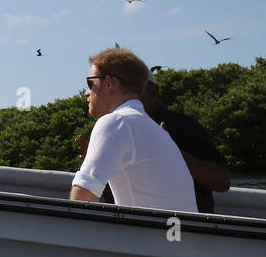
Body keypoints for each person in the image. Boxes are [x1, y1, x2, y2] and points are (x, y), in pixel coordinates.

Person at [74, 67, 231, 213]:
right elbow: (115, 199)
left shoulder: (182, 125)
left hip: (186, 228)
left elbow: (222, 181)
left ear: (153, 90)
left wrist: (170, 151)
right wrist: (97, 161)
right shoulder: (120, 126)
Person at [70, 48, 197, 212]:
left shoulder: (116, 121)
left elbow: (83, 198)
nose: (87, 93)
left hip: (149, 237)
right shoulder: (157, 131)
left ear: (109, 83)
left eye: (90, 83)